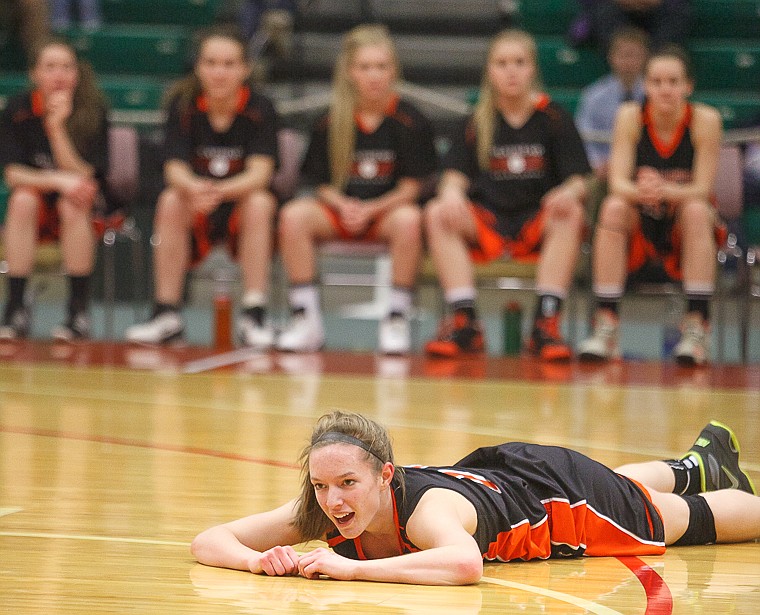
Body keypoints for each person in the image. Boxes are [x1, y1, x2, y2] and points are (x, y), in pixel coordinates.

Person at [191, 410, 759, 586]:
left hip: (559, 502)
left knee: (673, 520)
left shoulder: (427, 511)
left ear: (385, 476)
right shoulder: (324, 509)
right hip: (504, 474)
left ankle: (706, 484)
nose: (333, 500)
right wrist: (254, 559)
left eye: (347, 484)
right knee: (623, 484)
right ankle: (698, 464)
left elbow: (465, 565)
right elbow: (207, 539)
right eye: (321, 485)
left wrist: (347, 570)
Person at [423, 29, 590, 361]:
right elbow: (452, 178)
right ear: (489, 71)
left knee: (572, 211)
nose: (511, 71)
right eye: (501, 63)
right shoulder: (477, 120)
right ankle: (465, 320)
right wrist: (452, 194)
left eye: (519, 62)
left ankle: (545, 324)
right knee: (437, 211)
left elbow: (580, 180)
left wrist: (568, 191)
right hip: (489, 222)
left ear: (532, 69)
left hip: (537, 223)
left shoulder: (554, 117)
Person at [275, 24, 438, 355]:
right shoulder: (330, 120)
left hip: (386, 215)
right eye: (365, 67)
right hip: (340, 212)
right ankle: (306, 318)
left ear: (394, 71)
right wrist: (344, 205)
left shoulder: (411, 120)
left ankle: (396, 317)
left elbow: (412, 187)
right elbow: (319, 183)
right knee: (293, 215)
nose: (374, 75)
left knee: (410, 218)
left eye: (381, 67)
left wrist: (371, 209)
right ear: (350, 72)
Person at [125, 26, 279, 348]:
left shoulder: (261, 108)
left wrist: (218, 191)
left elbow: (260, 173)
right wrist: (195, 189)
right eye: (211, 62)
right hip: (194, 204)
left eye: (228, 64)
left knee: (260, 202)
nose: (219, 72)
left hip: (238, 206)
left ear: (245, 69)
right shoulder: (182, 105)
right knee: (170, 200)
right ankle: (167, 313)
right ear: (198, 67)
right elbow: (174, 168)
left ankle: (254, 314)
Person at [578, 45, 724, 366]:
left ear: (689, 86)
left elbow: (701, 188)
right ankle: (607, 325)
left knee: (699, 210)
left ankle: (697, 326)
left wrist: (664, 188)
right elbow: (618, 184)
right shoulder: (630, 116)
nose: (665, 89)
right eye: (656, 82)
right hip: (640, 219)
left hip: (682, 222)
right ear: (646, 85)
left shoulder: (705, 120)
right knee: (613, 207)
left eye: (673, 82)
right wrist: (645, 190)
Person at [0, 37, 110, 341]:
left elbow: (85, 176)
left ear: (77, 74)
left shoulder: (93, 109)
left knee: (72, 202)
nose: (59, 74)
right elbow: (13, 174)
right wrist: (56, 180)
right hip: (36, 204)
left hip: (82, 206)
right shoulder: (18, 109)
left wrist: (56, 128)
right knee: (22, 200)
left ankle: (77, 311)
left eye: (66, 67)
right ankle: (16, 307)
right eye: (50, 67)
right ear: (35, 74)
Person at [575, 27, 649, 182]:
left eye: (634, 55)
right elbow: (583, 138)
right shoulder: (593, 96)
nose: (628, 62)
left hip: (647, 170)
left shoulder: (654, 94)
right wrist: (596, 163)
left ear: (645, 58)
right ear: (611, 57)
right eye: (623, 55)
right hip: (603, 170)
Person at [568, 0, 690, 54]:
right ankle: (622, 60)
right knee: (603, 14)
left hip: (662, 9)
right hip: (614, 8)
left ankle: (655, 64)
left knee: (678, 14)